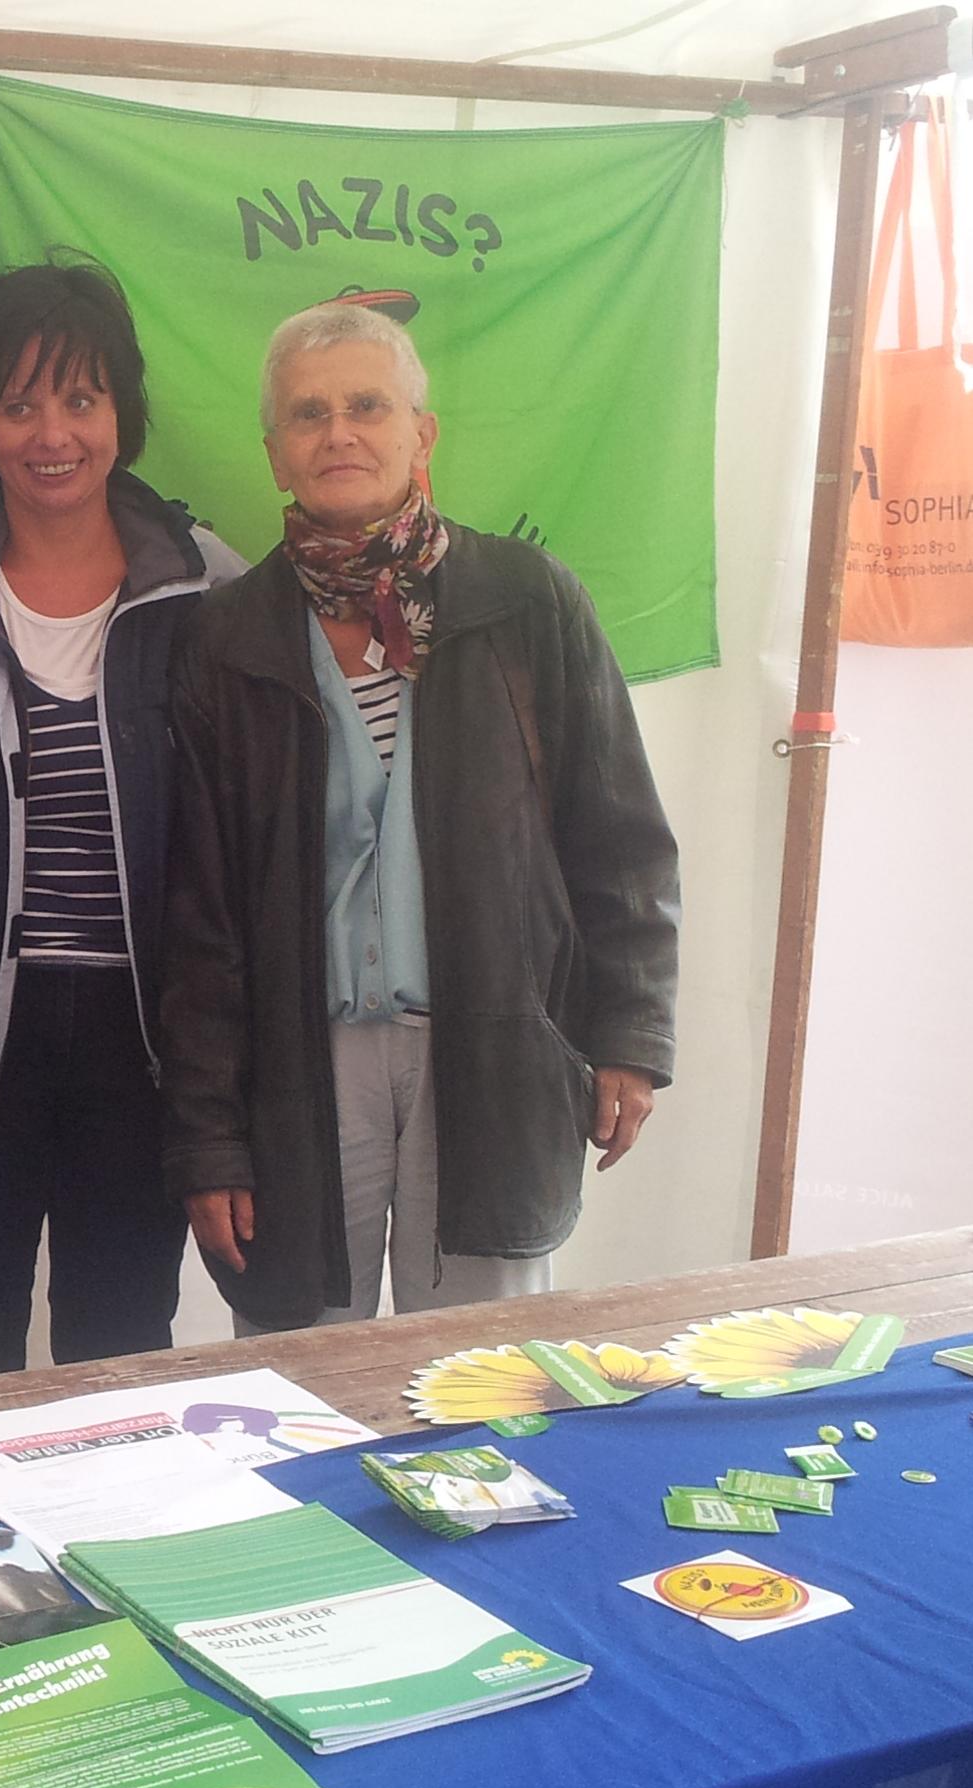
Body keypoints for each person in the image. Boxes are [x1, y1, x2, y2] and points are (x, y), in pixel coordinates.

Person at [163, 302, 680, 1334]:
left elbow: (615, 832)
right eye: (307, 415)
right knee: (298, 1372)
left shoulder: (525, 602)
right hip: (302, 1069)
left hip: (487, 1051)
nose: (337, 433)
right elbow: (198, 912)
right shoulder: (226, 636)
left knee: (475, 1375)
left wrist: (626, 1031)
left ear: (420, 433)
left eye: (366, 405)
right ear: (274, 454)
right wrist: (208, 1134)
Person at [0, 262, 246, 1383]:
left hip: (142, 1046)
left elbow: (242, 849)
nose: (50, 435)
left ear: (122, 408)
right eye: (16, 405)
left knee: (120, 1352)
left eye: (79, 399)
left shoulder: (199, 579)